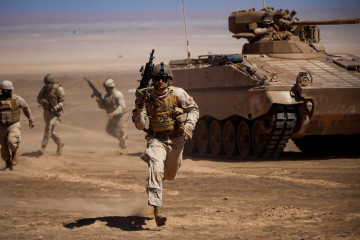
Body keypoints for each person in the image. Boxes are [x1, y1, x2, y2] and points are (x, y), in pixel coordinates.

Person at [132, 62, 199, 226]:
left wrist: (189, 126)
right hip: (156, 139)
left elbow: (194, 109)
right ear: (152, 80)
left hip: (176, 140)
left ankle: (154, 186)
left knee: (169, 175)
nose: (160, 81)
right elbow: (140, 126)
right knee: (156, 168)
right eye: (157, 78)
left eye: (163, 78)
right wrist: (139, 109)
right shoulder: (146, 96)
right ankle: (157, 211)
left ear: (169, 79)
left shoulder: (178, 94)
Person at [0, 80, 34, 170]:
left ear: (11, 90)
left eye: (8, 90)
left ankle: (14, 151)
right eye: (4, 90)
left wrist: (31, 119)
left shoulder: (17, 99)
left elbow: (26, 108)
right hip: (1, 126)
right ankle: (8, 163)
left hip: (14, 124)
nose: (6, 92)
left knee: (12, 142)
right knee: (3, 147)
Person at [96, 78, 129, 154]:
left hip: (122, 115)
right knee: (108, 130)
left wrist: (113, 113)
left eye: (106, 87)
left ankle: (123, 147)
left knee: (120, 132)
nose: (105, 89)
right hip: (113, 116)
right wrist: (99, 102)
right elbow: (104, 107)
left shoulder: (118, 94)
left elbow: (122, 107)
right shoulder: (107, 96)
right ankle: (123, 137)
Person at [37, 73, 65, 156]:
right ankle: (59, 142)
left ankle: (43, 147)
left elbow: (63, 102)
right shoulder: (44, 89)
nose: (46, 85)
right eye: (45, 83)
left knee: (48, 127)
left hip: (56, 113)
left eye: (48, 83)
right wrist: (42, 101)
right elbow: (38, 99)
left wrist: (56, 107)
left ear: (52, 83)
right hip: (46, 111)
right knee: (49, 131)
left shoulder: (59, 89)